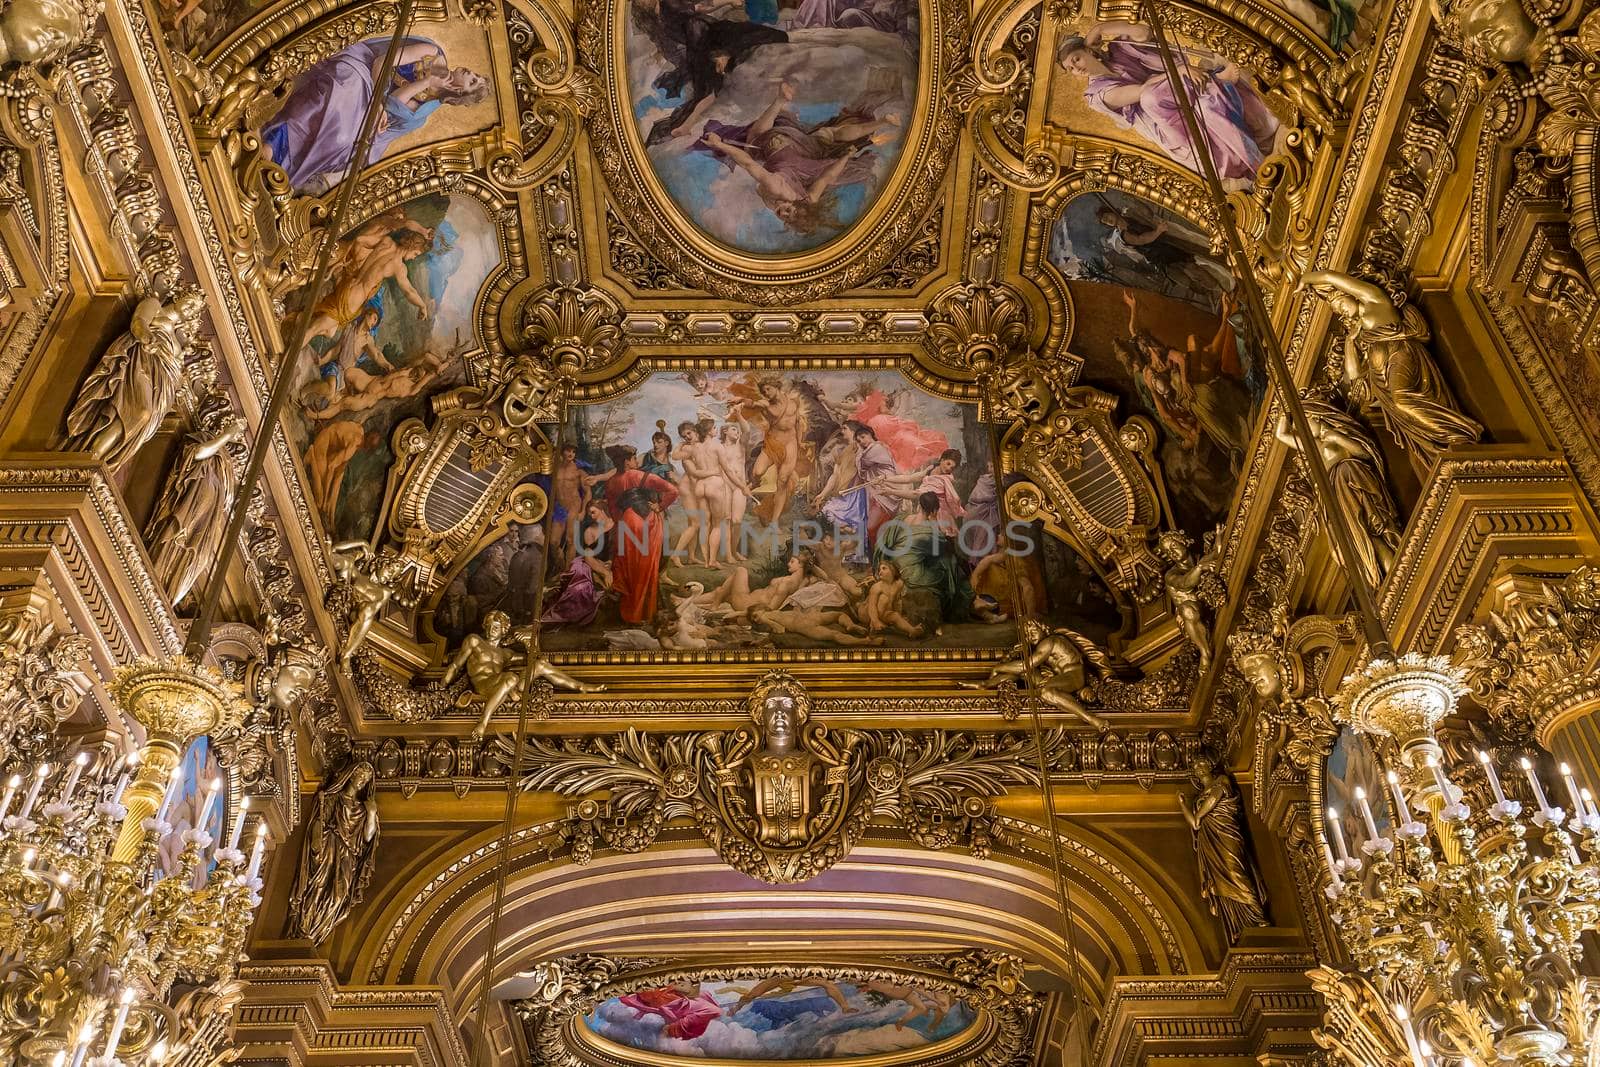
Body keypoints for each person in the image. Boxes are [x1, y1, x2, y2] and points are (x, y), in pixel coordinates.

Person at [1056, 21, 1280, 190]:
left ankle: (1215, 86)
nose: (1077, 69)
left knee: (1186, 100)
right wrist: (1179, 72)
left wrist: (1101, 28)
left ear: (1088, 50)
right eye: (1071, 69)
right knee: (1150, 98)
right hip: (1169, 125)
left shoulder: (1119, 50)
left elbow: (1144, 33)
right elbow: (1142, 92)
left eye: (1076, 59)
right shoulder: (1095, 95)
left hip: (1184, 94)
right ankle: (1217, 82)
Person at [263, 37, 489, 192]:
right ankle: (275, 137)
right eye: (476, 75)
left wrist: (427, 82)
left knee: (343, 137)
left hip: (369, 108)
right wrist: (378, 101)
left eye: (472, 81)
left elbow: (393, 105)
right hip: (365, 70)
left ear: (459, 91)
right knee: (343, 90)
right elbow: (382, 63)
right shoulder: (432, 54)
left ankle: (278, 157)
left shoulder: (426, 106)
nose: (471, 73)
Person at [696, 77, 900, 235]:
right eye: (789, 211)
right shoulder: (777, 190)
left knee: (830, 135)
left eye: (787, 216)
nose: (783, 213)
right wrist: (720, 145)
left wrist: (846, 157)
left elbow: (827, 177)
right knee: (756, 139)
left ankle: (884, 122)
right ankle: (780, 100)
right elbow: (748, 164)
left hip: (807, 153)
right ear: (797, 205)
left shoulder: (809, 199)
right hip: (782, 148)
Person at [632, 0, 789, 145]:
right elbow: (702, 7)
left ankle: (687, 124)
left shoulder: (657, 17)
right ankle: (687, 124)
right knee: (711, 84)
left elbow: (698, 11)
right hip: (708, 37)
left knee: (707, 86)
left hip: (701, 40)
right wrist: (729, 1)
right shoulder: (666, 5)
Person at [443, 609, 604, 738]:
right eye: (490, 626)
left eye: (497, 628)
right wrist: (442, 686)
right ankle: (483, 722)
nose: (493, 630)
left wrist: (530, 642)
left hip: (504, 684)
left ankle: (581, 686)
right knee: (510, 678)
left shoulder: (506, 654)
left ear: (503, 631)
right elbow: (456, 666)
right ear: (485, 626)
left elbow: (537, 659)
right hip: (484, 685)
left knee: (540, 666)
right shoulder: (474, 641)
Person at [601, 445, 679, 624]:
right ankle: (644, 613)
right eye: (634, 459)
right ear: (627, 461)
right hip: (647, 523)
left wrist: (623, 523)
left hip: (626, 524)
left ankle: (629, 613)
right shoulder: (641, 476)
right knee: (646, 569)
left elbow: (614, 510)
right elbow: (673, 491)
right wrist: (659, 507)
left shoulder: (611, 482)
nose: (637, 462)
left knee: (630, 568)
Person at [742, 377, 803, 522]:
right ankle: (755, 482)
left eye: (768, 389)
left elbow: (798, 421)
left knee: (782, 480)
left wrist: (800, 441)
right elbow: (752, 404)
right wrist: (740, 400)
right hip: (773, 443)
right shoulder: (765, 404)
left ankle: (775, 521)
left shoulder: (793, 402)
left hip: (790, 443)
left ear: (776, 386)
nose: (766, 393)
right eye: (764, 391)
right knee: (757, 472)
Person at [550, 443, 590, 569]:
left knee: (570, 540)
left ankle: (568, 571)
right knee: (553, 542)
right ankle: (562, 567)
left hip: (574, 505)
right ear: (562, 452)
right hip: (559, 507)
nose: (571, 454)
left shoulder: (579, 471)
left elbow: (588, 492)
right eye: (568, 451)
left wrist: (583, 511)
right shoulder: (554, 469)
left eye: (573, 451)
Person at [863, 559, 923, 637]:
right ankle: (874, 624)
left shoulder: (899, 584)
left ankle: (912, 630)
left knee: (895, 615)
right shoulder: (877, 587)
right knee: (884, 599)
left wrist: (899, 616)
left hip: (884, 613)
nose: (880, 571)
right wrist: (875, 621)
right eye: (879, 569)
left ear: (893, 570)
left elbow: (897, 601)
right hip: (867, 613)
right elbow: (872, 607)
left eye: (884, 568)